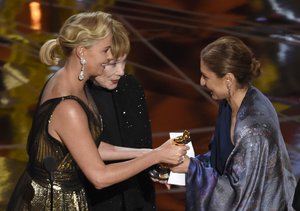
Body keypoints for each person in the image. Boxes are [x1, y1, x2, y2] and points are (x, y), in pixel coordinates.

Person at [6, 11, 188, 210]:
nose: (109, 56)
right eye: (106, 50)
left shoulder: (71, 82)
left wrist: (151, 153)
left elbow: (90, 146)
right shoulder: (68, 108)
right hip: (55, 203)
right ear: (82, 51)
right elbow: (100, 177)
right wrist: (155, 157)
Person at [170, 36, 296, 210]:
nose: (201, 82)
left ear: (228, 79)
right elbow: (221, 161)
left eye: (206, 76)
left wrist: (192, 170)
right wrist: (184, 167)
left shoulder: (254, 131)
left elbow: (241, 199)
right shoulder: (229, 105)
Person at [84, 19, 155, 210]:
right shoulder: (77, 96)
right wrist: (153, 156)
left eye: (124, 62)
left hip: (138, 198)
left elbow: (143, 141)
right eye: (113, 63)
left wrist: (156, 167)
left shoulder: (131, 86)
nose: (121, 71)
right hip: (96, 200)